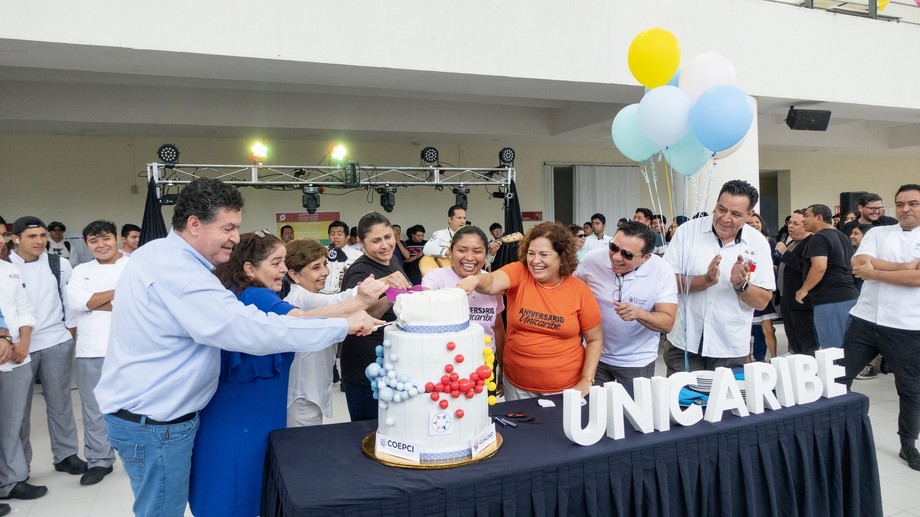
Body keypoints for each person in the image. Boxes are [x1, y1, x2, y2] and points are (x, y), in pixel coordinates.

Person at [94, 178, 380, 517]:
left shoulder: (159, 255)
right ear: (195, 224)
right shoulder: (179, 272)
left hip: (154, 418)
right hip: (156, 423)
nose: (234, 237)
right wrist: (341, 325)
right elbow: (245, 329)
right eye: (228, 227)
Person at [457, 222, 602, 400]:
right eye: (531, 253)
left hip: (564, 388)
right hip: (517, 387)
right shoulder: (519, 272)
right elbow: (493, 282)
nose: (535, 261)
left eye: (544, 254)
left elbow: (595, 339)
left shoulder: (579, 290)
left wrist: (586, 380)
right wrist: (476, 280)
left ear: (562, 256)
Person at [842, 184, 920, 472]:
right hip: (865, 320)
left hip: (907, 325)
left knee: (910, 389)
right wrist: (908, 267)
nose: (905, 209)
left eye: (913, 203)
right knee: (838, 378)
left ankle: (908, 444)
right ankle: (835, 433)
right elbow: (859, 263)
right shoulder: (878, 232)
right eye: (900, 204)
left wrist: (876, 272)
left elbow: (917, 280)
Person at [663, 180, 775, 375]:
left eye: (736, 214)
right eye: (721, 209)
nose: (725, 218)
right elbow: (665, 283)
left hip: (730, 347)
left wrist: (741, 285)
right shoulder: (686, 232)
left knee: (727, 403)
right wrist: (704, 281)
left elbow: (762, 302)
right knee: (682, 403)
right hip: (684, 343)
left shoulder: (758, 243)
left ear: (750, 215)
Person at [7, 216, 86, 476]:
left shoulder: (59, 264)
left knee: (60, 403)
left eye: (42, 235)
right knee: (18, 411)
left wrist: (69, 332)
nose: (40, 241)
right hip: (19, 348)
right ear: (16, 238)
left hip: (56, 341)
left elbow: (70, 299)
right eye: (32, 236)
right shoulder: (5, 266)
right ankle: (19, 469)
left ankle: (66, 455)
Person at [284, 239, 388, 427]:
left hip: (310, 393)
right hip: (303, 397)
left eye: (325, 264)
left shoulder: (309, 297)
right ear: (294, 274)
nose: (325, 272)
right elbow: (338, 303)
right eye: (316, 267)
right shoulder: (299, 297)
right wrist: (378, 285)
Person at [574, 222, 677, 388]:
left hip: (637, 361)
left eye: (627, 255)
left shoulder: (662, 270)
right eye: (613, 247)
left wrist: (638, 314)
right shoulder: (592, 260)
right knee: (594, 411)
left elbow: (667, 323)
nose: (616, 257)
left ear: (646, 257)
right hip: (596, 357)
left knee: (634, 412)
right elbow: (571, 290)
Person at [65, 221, 127, 486]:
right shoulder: (80, 270)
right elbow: (77, 302)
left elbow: (138, 303)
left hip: (129, 348)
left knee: (133, 405)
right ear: (87, 244)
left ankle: (137, 454)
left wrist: (94, 302)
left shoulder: (134, 264)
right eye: (93, 241)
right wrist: (116, 294)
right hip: (91, 349)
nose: (101, 245)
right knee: (94, 409)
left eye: (105, 239)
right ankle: (100, 460)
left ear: (117, 239)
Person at [340, 212, 412, 421]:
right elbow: (358, 318)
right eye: (376, 241)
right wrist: (389, 293)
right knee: (368, 432)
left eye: (388, 237)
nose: (385, 245)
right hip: (365, 365)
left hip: (389, 360)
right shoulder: (360, 271)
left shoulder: (392, 261)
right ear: (360, 243)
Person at [422, 226, 506, 386]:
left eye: (477, 251)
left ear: (486, 254)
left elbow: (498, 327)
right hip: (446, 368)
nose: (469, 257)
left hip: (485, 364)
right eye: (462, 250)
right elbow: (424, 304)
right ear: (450, 252)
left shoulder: (492, 281)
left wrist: (502, 365)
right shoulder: (435, 278)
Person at [0, 228, 45, 503]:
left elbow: (23, 309)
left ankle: (12, 480)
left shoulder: (8, 270)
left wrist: (23, 341)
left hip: (16, 356)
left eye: (1, 234)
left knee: (13, 423)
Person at [796, 204, 859, 349]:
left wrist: (804, 289)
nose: (803, 219)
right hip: (849, 297)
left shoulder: (819, 238)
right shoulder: (842, 236)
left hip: (830, 300)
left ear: (818, 218)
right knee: (846, 347)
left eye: (806, 215)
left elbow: (819, 267)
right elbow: (851, 263)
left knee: (832, 351)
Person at [777, 210, 818, 356]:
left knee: (805, 338)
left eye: (796, 223)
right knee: (793, 338)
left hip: (800, 301)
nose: (790, 226)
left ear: (805, 225)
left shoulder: (811, 243)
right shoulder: (792, 241)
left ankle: (810, 367)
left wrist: (785, 254)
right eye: (790, 223)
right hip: (785, 298)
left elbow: (806, 268)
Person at [748, 213, 779, 361]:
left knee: (767, 329)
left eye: (757, 222)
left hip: (762, 288)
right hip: (745, 290)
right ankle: (746, 363)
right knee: (745, 332)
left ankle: (773, 358)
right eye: (750, 222)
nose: (754, 224)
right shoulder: (742, 243)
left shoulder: (769, 241)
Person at [323, 220, 362, 294]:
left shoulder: (357, 255)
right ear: (328, 236)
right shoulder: (322, 253)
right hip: (323, 295)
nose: (335, 237)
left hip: (346, 296)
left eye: (339, 234)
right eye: (332, 234)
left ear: (347, 237)